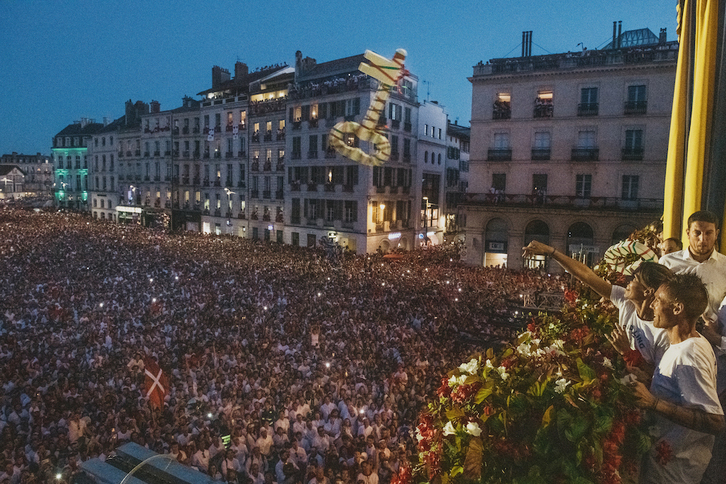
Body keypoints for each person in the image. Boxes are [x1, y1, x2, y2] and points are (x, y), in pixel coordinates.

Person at [630, 273, 724, 483]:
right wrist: (648, 379)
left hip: (676, 471)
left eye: (658, 300)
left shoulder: (689, 353)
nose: (652, 305)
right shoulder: (688, 344)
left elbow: (714, 421)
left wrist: (652, 402)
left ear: (677, 309)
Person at [522, 240, 672, 366]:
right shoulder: (626, 302)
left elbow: (659, 377)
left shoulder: (663, 333)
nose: (628, 281)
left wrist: (627, 353)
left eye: (634, 279)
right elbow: (586, 275)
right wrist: (551, 251)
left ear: (647, 292)